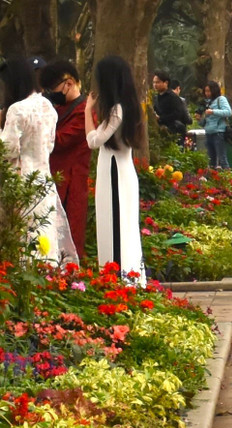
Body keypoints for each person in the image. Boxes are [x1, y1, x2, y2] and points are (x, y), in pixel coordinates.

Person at [1, 59, 69, 263]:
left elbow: (7, 150)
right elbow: (49, 145)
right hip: (43, 179)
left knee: (21, 235)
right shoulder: (48, 106)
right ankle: (46, 280)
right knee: (42, 232)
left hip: (20, 180)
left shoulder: (17, 109)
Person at [85, 56, 146, 284]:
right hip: (120, 171)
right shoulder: (126, 107)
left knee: (116, 227)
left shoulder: (117, 110)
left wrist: (86, 111)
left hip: (114, 175)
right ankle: (126, 278)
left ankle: (119, 279)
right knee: (122, 226)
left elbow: (94, 140)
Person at [40, 60, 89, 257]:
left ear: (68, 83)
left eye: (54, 88)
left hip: (72, 182)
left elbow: (60, 140)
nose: (52, 94)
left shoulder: (85, 111)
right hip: (54, 177)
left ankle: (71, 277)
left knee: (70, 232)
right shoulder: (58, 107)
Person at [200, 81, 232, 169]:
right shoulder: (207, 102)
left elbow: (228, 112)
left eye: (209, 91)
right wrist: (200, 118)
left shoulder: (220, 99)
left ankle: (228, 179)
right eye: (205, 91)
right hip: (208, 132)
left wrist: (213, 112)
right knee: (211, 160)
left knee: (222, 158)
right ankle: (214, 179)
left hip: (218, 132)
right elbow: (205, 120)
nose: (207, 94)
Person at [152, 70, 189, 138]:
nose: (155, 85)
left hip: (175, 131)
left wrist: (161, 118)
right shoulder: (156, 97)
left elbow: (178, 114)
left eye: (158, 82)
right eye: (154, 82)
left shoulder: (173, 97)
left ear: (166, 83)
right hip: (162, 131)